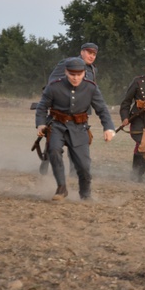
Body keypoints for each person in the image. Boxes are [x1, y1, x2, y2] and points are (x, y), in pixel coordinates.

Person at [35, 57, 115, 200]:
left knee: (83, 166)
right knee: (53, 150)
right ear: (66, 72)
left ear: (84, 73)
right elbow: (42, 107)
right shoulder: (54, 87)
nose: (76, 78)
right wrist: (41, 124)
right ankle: (61, 187)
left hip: (79, 128)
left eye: (79, 74)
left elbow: (102, 109)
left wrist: (108, 128)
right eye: (72, 74)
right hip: (57, 125)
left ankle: (85, 194)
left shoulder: (91, 88)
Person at [40, 42, 99, 175]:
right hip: (61, 109)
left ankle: (74, 171)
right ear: (82, 51)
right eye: (89, 53)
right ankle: (45, 163)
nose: (91, 56)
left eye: (94, 54)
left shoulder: (93, 70)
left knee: (77, 142)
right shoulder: (67, 63)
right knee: (52, 139)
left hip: (80, 113)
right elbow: (52, 81)